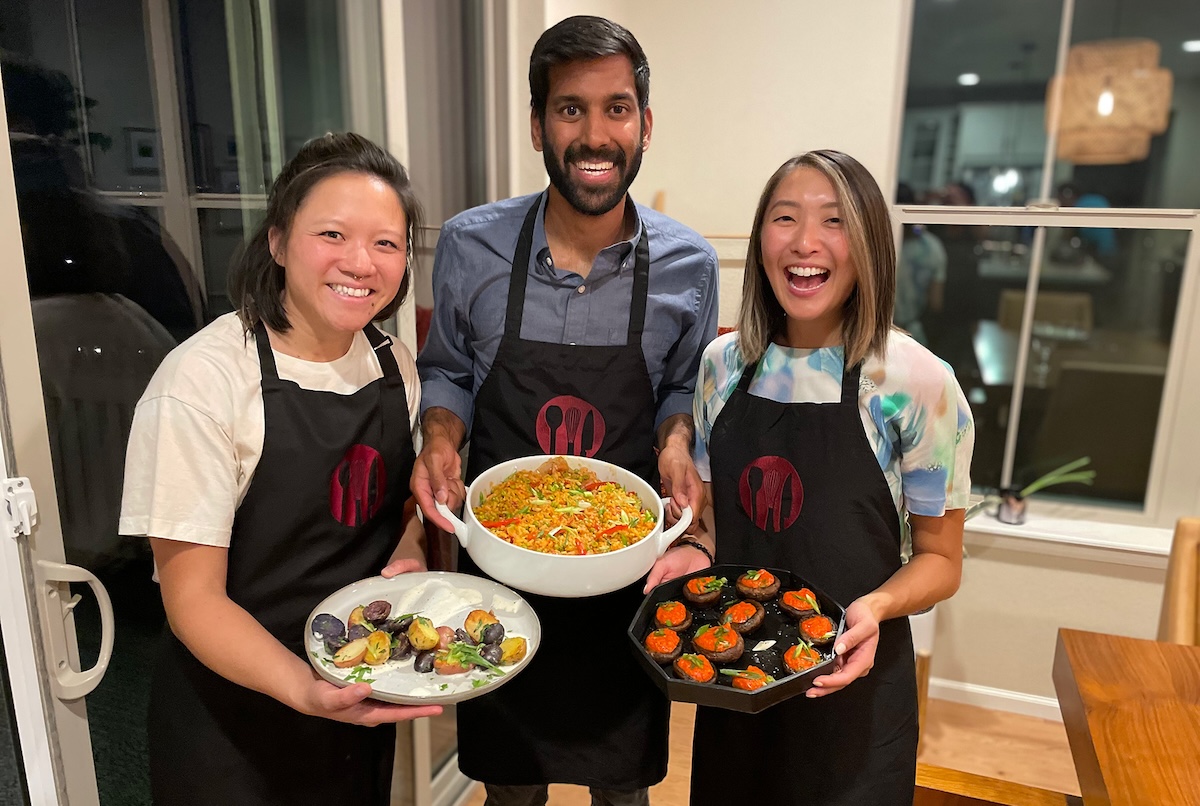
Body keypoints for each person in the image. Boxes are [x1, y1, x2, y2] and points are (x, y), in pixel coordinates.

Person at [410, 15, 718, 805]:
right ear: (539, 123)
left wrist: (679, 444)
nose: (594, 133)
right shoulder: (471, 246)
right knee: (510, 784)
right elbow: (446, 372)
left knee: (624, 784)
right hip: (502, 561)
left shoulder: (689, 264)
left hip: (626, 567)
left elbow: (682, 390)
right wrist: (439, 437)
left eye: (616, 108)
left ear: (644, 123)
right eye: (570, 108)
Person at [119, 132, 441, 806]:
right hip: (234, 721)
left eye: (386, 243)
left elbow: (395, 508)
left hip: (353, 693)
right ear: (277, 240)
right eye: (332, 233)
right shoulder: (202, 383)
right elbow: (192, 601)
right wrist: (302, 686)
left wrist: (411, 547)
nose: (361, 263)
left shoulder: (392, 364)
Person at [686, 151, 973, 805]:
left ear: (868, 243)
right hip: (735, 681)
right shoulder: (721, 367)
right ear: (762, 239)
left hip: (856, 691)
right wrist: (685, 547)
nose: (805, 243)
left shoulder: (916, 383)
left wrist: (873, 608)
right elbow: (712, 520)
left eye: (834, 221)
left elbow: (940, 560)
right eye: (784, 218)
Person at [894, 183, 947, 345]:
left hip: (876, 334)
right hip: (912, 335)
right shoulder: (933, 247)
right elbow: (935, 302)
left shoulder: (875, 245)